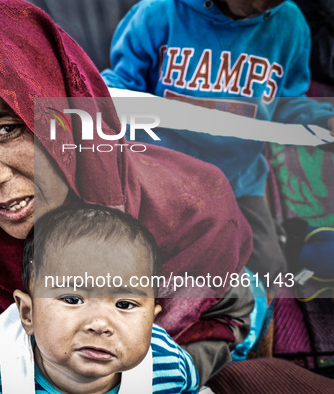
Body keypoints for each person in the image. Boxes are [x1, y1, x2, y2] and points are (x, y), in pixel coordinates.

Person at [0, 0, 254, 390]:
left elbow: (229, 314)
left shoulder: (190, 212)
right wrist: (11, 365)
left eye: (7, 128)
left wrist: (157, 374)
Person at [101, 0, 334, 285]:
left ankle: (290, 241)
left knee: (270, 274)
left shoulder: (290, 23)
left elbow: (288, 104)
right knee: (141, 269)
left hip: (238, 180)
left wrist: (324, 122)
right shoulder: (158, 12)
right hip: (161, 175)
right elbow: (122, 85)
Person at [0, 204, 199, 393]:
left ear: (151, 322)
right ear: (27, 314)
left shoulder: (169, 366)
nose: (99, 324)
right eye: (73, 299)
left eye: (124, 304)